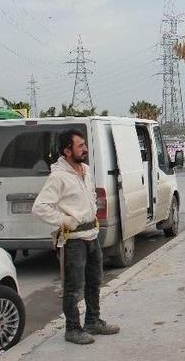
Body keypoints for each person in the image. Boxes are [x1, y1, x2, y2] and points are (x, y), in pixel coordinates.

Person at [32, 129, 121, 345]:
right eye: (80, 146)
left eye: (84, 144)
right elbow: (39, 207)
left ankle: (93, 321)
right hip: (73, 240)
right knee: (73, 287)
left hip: (92, 235)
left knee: (94, 281)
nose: (85, 149)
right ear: (67, 150)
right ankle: (72, 329)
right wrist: (64, 220)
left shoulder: (86, 170)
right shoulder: (58, 177)